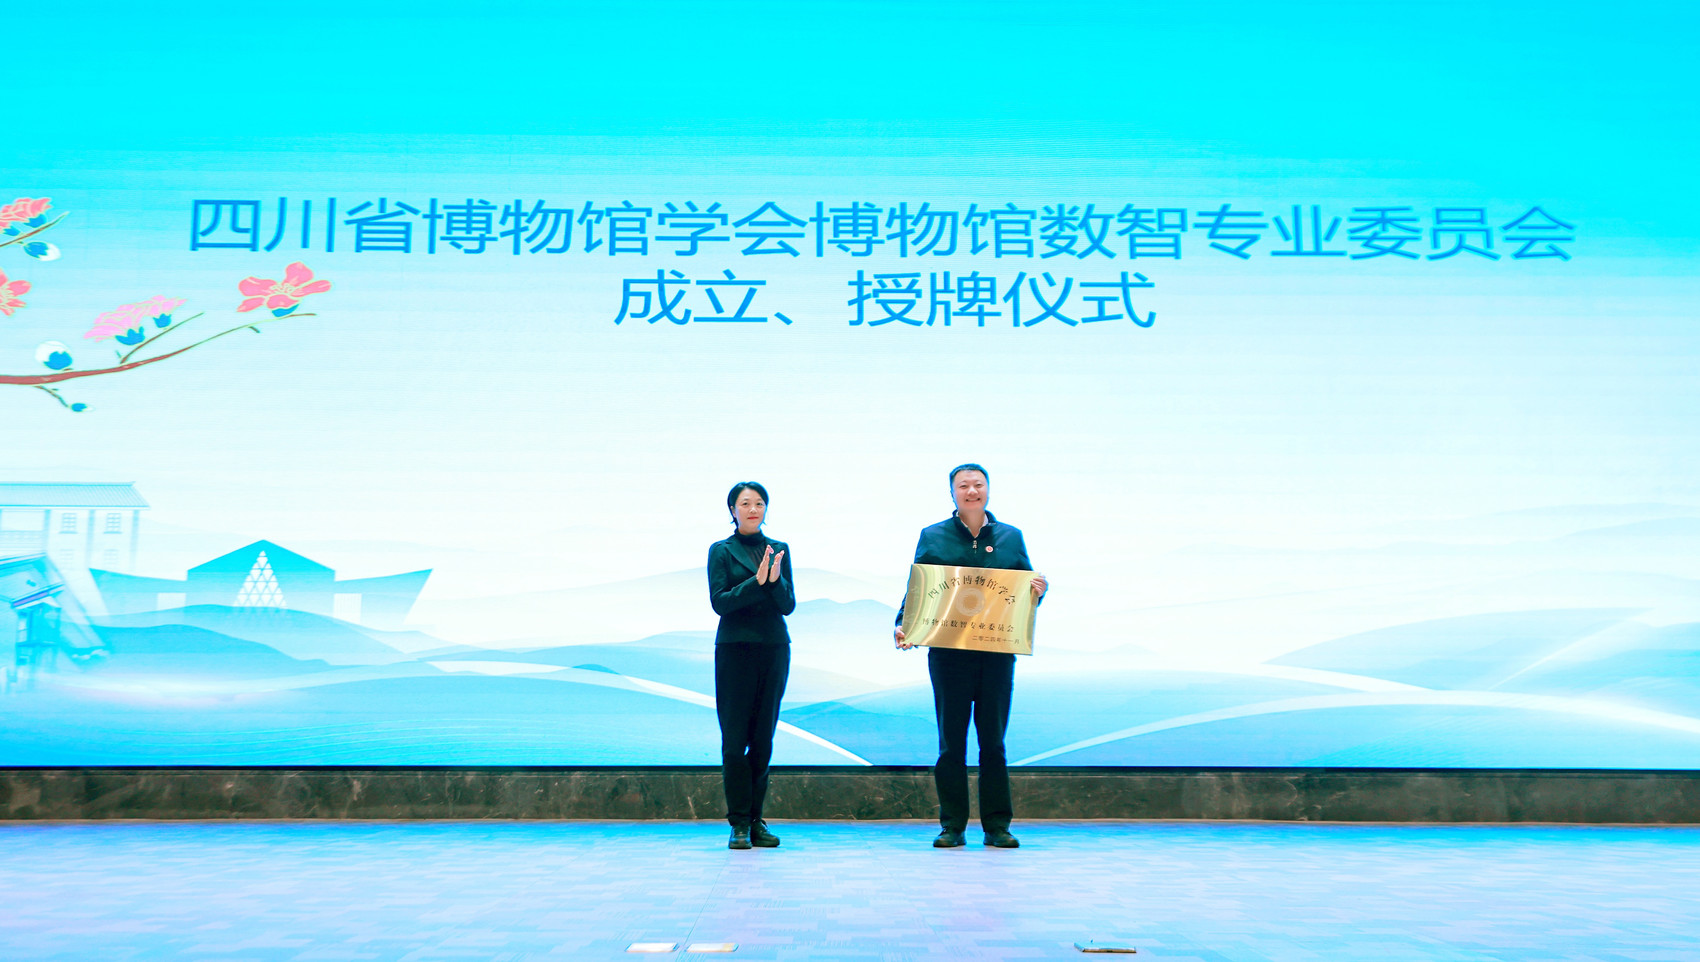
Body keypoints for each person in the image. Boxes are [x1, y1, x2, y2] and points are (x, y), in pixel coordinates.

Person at [895, 464, 1046, 849]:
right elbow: (919, 587)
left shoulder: (1011, 536)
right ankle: (952, 826)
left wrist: (1038, 590)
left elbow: (1023, 590)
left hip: (996, 653)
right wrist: (904, 624)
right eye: (963, 485)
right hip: (949, 655)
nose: (972, 491)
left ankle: (997, 827)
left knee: (993, 744)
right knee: (951, 744)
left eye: (978, 484)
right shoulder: (933, 535)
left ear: (988, 490)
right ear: (953, 493)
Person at [707, 481, 795, 850]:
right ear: (733, 510)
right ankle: (738, 823)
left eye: (759, 503)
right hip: (734, 651)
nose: (753, 509)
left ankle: (757, 820)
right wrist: (757, 583)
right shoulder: (721, 550)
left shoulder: (779, 549)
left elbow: (788, 604)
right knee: (734, 742)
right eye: (745, 503)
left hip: (773, 649)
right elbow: (720, 602)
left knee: (762, 740)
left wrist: (772, 582)